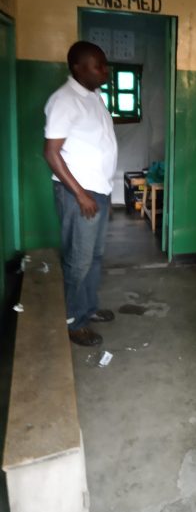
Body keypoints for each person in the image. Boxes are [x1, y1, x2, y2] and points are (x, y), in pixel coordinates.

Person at [44, 41, 118, 347]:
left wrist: (102, 192)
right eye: (97, 65)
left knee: (94, 257)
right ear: (78, 68)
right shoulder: (64, 101)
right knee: (78, 260)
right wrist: (81, 195)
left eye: (104, 64)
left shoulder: (94, 95)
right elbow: (51, 153)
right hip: (79, 195)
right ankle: (73, 322)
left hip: (98, 191)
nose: (104, 70)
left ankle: (88, 308)